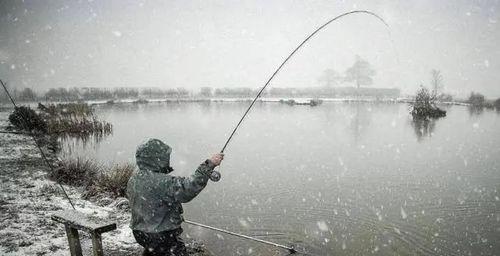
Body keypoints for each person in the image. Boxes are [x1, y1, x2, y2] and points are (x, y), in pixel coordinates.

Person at [127, 139, 224, 256]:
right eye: (164, 157)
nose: (167, 160)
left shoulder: (134, 179)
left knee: (152, 251)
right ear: (156, 159)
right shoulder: (162, 182)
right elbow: (188, 188)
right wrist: (209, 164)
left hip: (140, 233)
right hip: (161, 236)